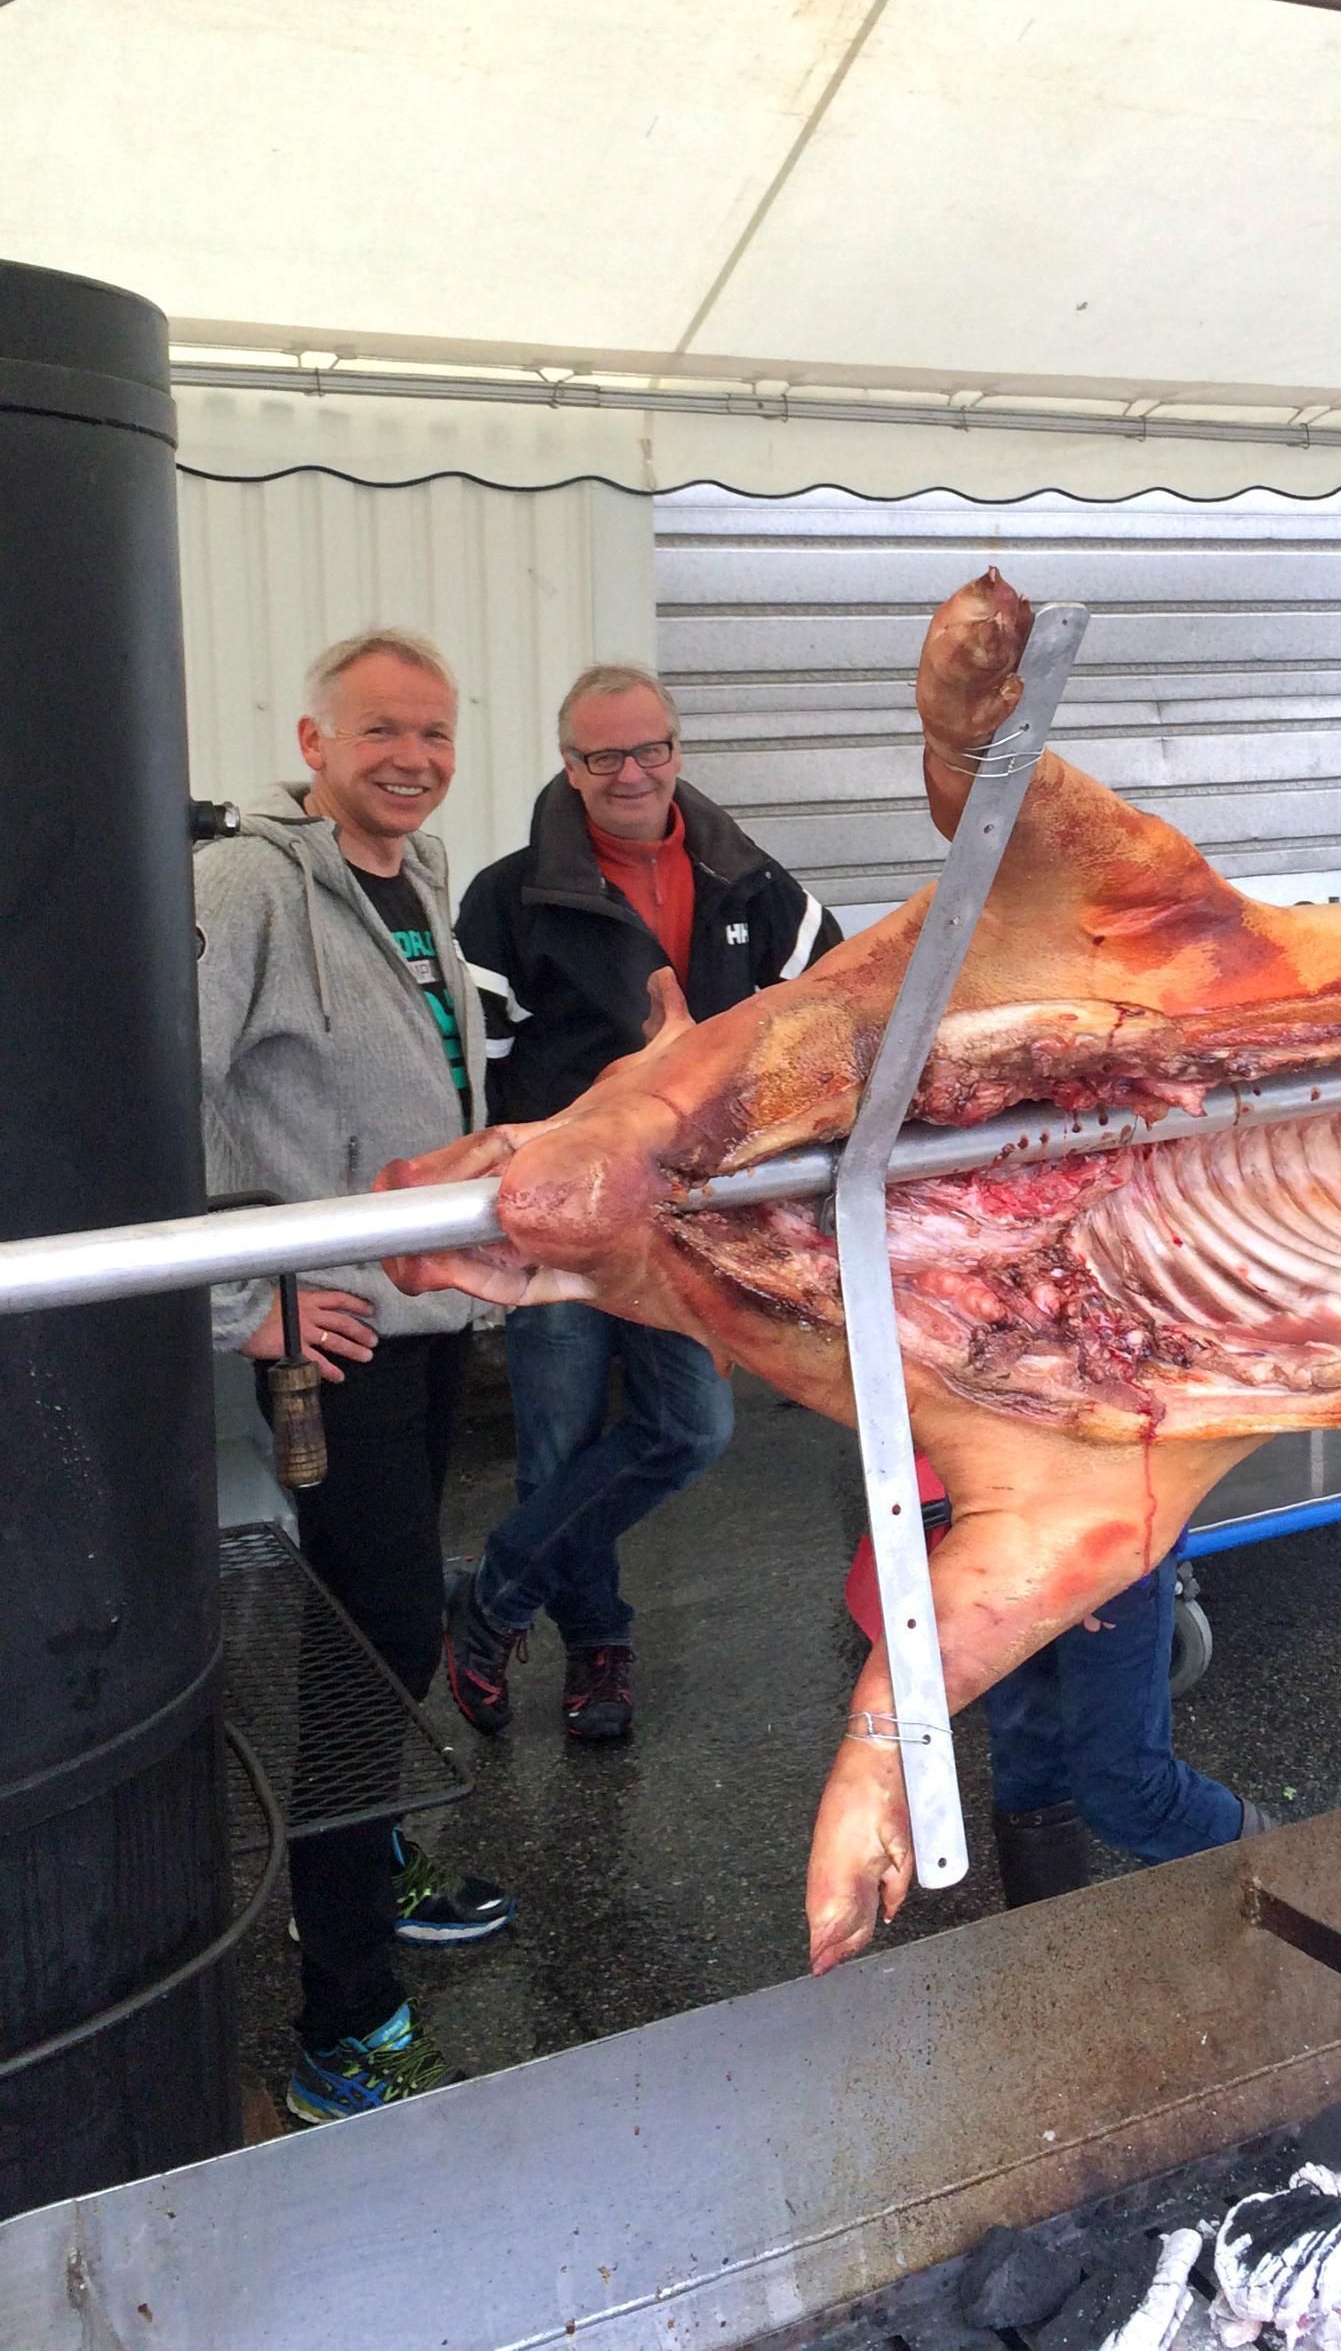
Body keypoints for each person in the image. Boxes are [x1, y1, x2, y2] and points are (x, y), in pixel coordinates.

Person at [196, 626, 511, 2124]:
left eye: (434, 733)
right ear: (313, 743)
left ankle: (368, 1860)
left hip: (421, 1317)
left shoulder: (416, 879)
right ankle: (343, 2022)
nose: (414, 758)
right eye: (381, 730)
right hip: (330, 1337)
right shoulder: (246, 887)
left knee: (395, 1622)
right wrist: (240, 1302)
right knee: (366, 1644)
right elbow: (149, 1091)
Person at [446, 663, 841, 1744]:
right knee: (557, 1442)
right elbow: (473, 1073)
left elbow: (829, 1024)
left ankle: (493, 1595)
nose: (631, 772)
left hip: (691, 1218)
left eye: (649, 748)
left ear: (677, 747)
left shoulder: (757, 886)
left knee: (690, 1427)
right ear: (568, 765)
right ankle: (598, 1645)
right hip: (560, 1223)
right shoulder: (507, 900)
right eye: (603, 755)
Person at [844, 1467, 1267, 1902]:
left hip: (1110, 1529)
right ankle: (1045, 1931)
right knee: (1028, 1766)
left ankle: (1285, 1870)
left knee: (1127, 1791)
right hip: (999, 1532)